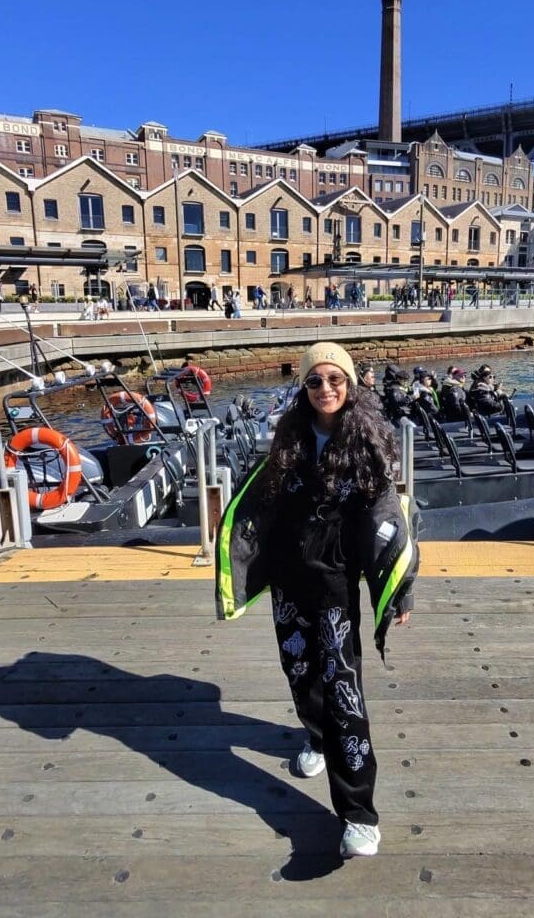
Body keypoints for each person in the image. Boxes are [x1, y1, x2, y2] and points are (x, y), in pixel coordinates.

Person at [216, 342, 418, 858]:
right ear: (303, 387)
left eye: (335, 379)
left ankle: (359, 814)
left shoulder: (366, 444)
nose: (325, 388)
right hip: (289, 582)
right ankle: (316, 738)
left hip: (335, 586)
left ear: (349, 384)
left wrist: (400, 588)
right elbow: (259, 504)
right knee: (299, 671)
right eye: (314, 380)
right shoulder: (289, 440)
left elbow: (388, 521)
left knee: (343, 691)